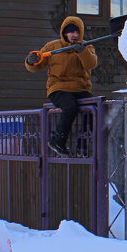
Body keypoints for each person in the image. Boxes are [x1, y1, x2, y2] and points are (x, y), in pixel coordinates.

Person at [24, 15, 99, 156]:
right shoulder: (52, 47)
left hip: (80, 88)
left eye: (77, 32)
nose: (74, 35)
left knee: (95, 107)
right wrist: (30, 61)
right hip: (58, 88)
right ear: (64, 32)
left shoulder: (87, 46)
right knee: (70, 106)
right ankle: (58, 140)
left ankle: (82, 143)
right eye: (71, 32)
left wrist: (82, 52)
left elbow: (91, 63)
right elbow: (36, 65)